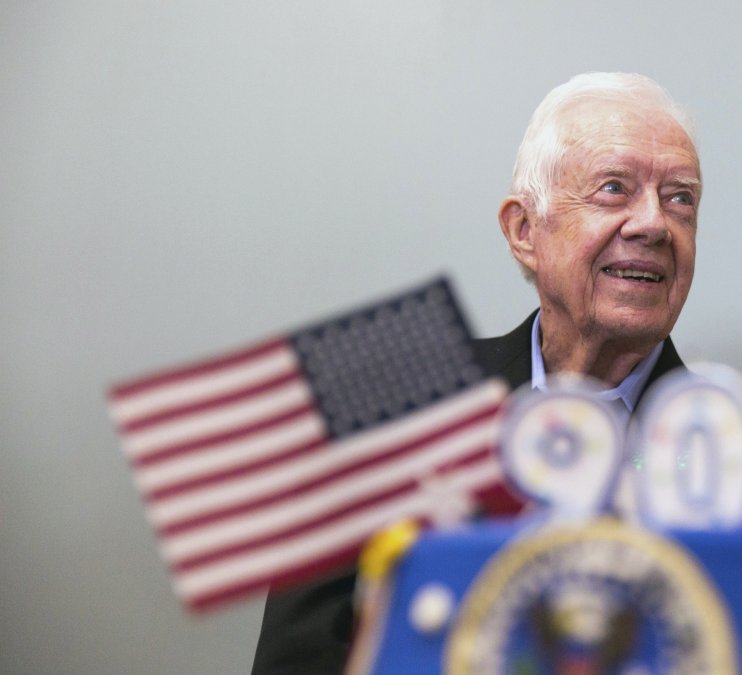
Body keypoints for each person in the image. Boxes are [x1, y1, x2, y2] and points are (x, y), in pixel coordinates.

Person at [251, 72, 701, 674]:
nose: (653, 224)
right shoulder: (394, 414)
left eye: (680, 199)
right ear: (524, 231)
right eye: (614, 189)